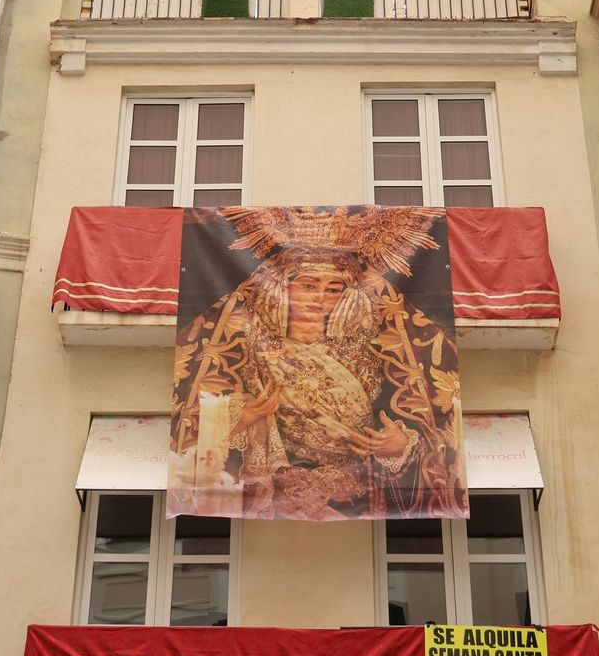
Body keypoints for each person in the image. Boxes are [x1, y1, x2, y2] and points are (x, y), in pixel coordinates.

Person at [171, 206, 464, 521]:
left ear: (347, 296)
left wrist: (401, 444)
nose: (320, 297)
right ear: (284, 288)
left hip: (357, 495)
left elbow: (426, 425)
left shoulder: (375, 350)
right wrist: (247, 416)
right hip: (271, 494)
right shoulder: (243, 346)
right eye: (308, 285)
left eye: (334, 289)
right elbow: (197, 426)